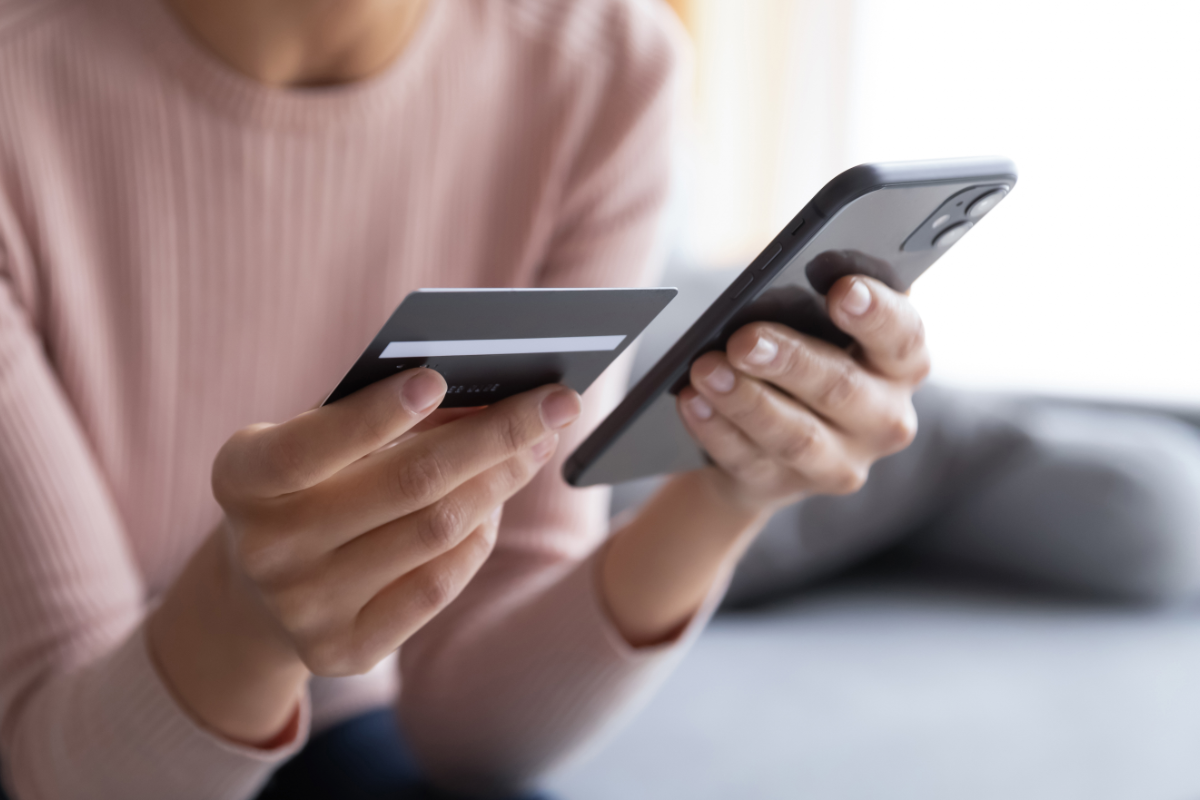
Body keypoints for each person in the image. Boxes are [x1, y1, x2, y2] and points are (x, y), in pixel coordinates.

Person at [0, 1, 931, 798]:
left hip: (323, 729)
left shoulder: (601, 68)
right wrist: (245, 621)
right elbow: (63, 769)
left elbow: (472, 728)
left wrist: (728, 492)